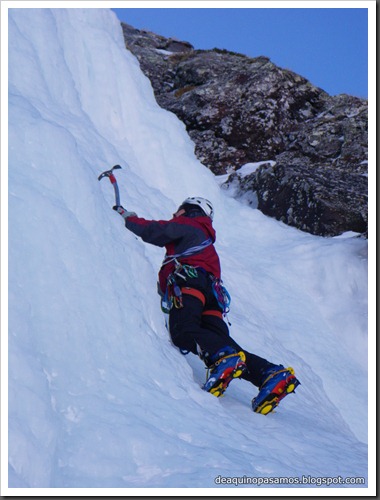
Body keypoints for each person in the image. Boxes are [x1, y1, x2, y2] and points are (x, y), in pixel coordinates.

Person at [113, 197, 300, 414]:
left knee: (182, 331)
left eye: (177, 211)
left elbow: (157, 230)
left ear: (188, 210)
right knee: (223, 344)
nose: (174, 215)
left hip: (191, 284)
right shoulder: (206, 241)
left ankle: (222, 358)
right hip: (212, 296)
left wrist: (128, 219)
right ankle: (270, 374)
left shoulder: (191, 224)